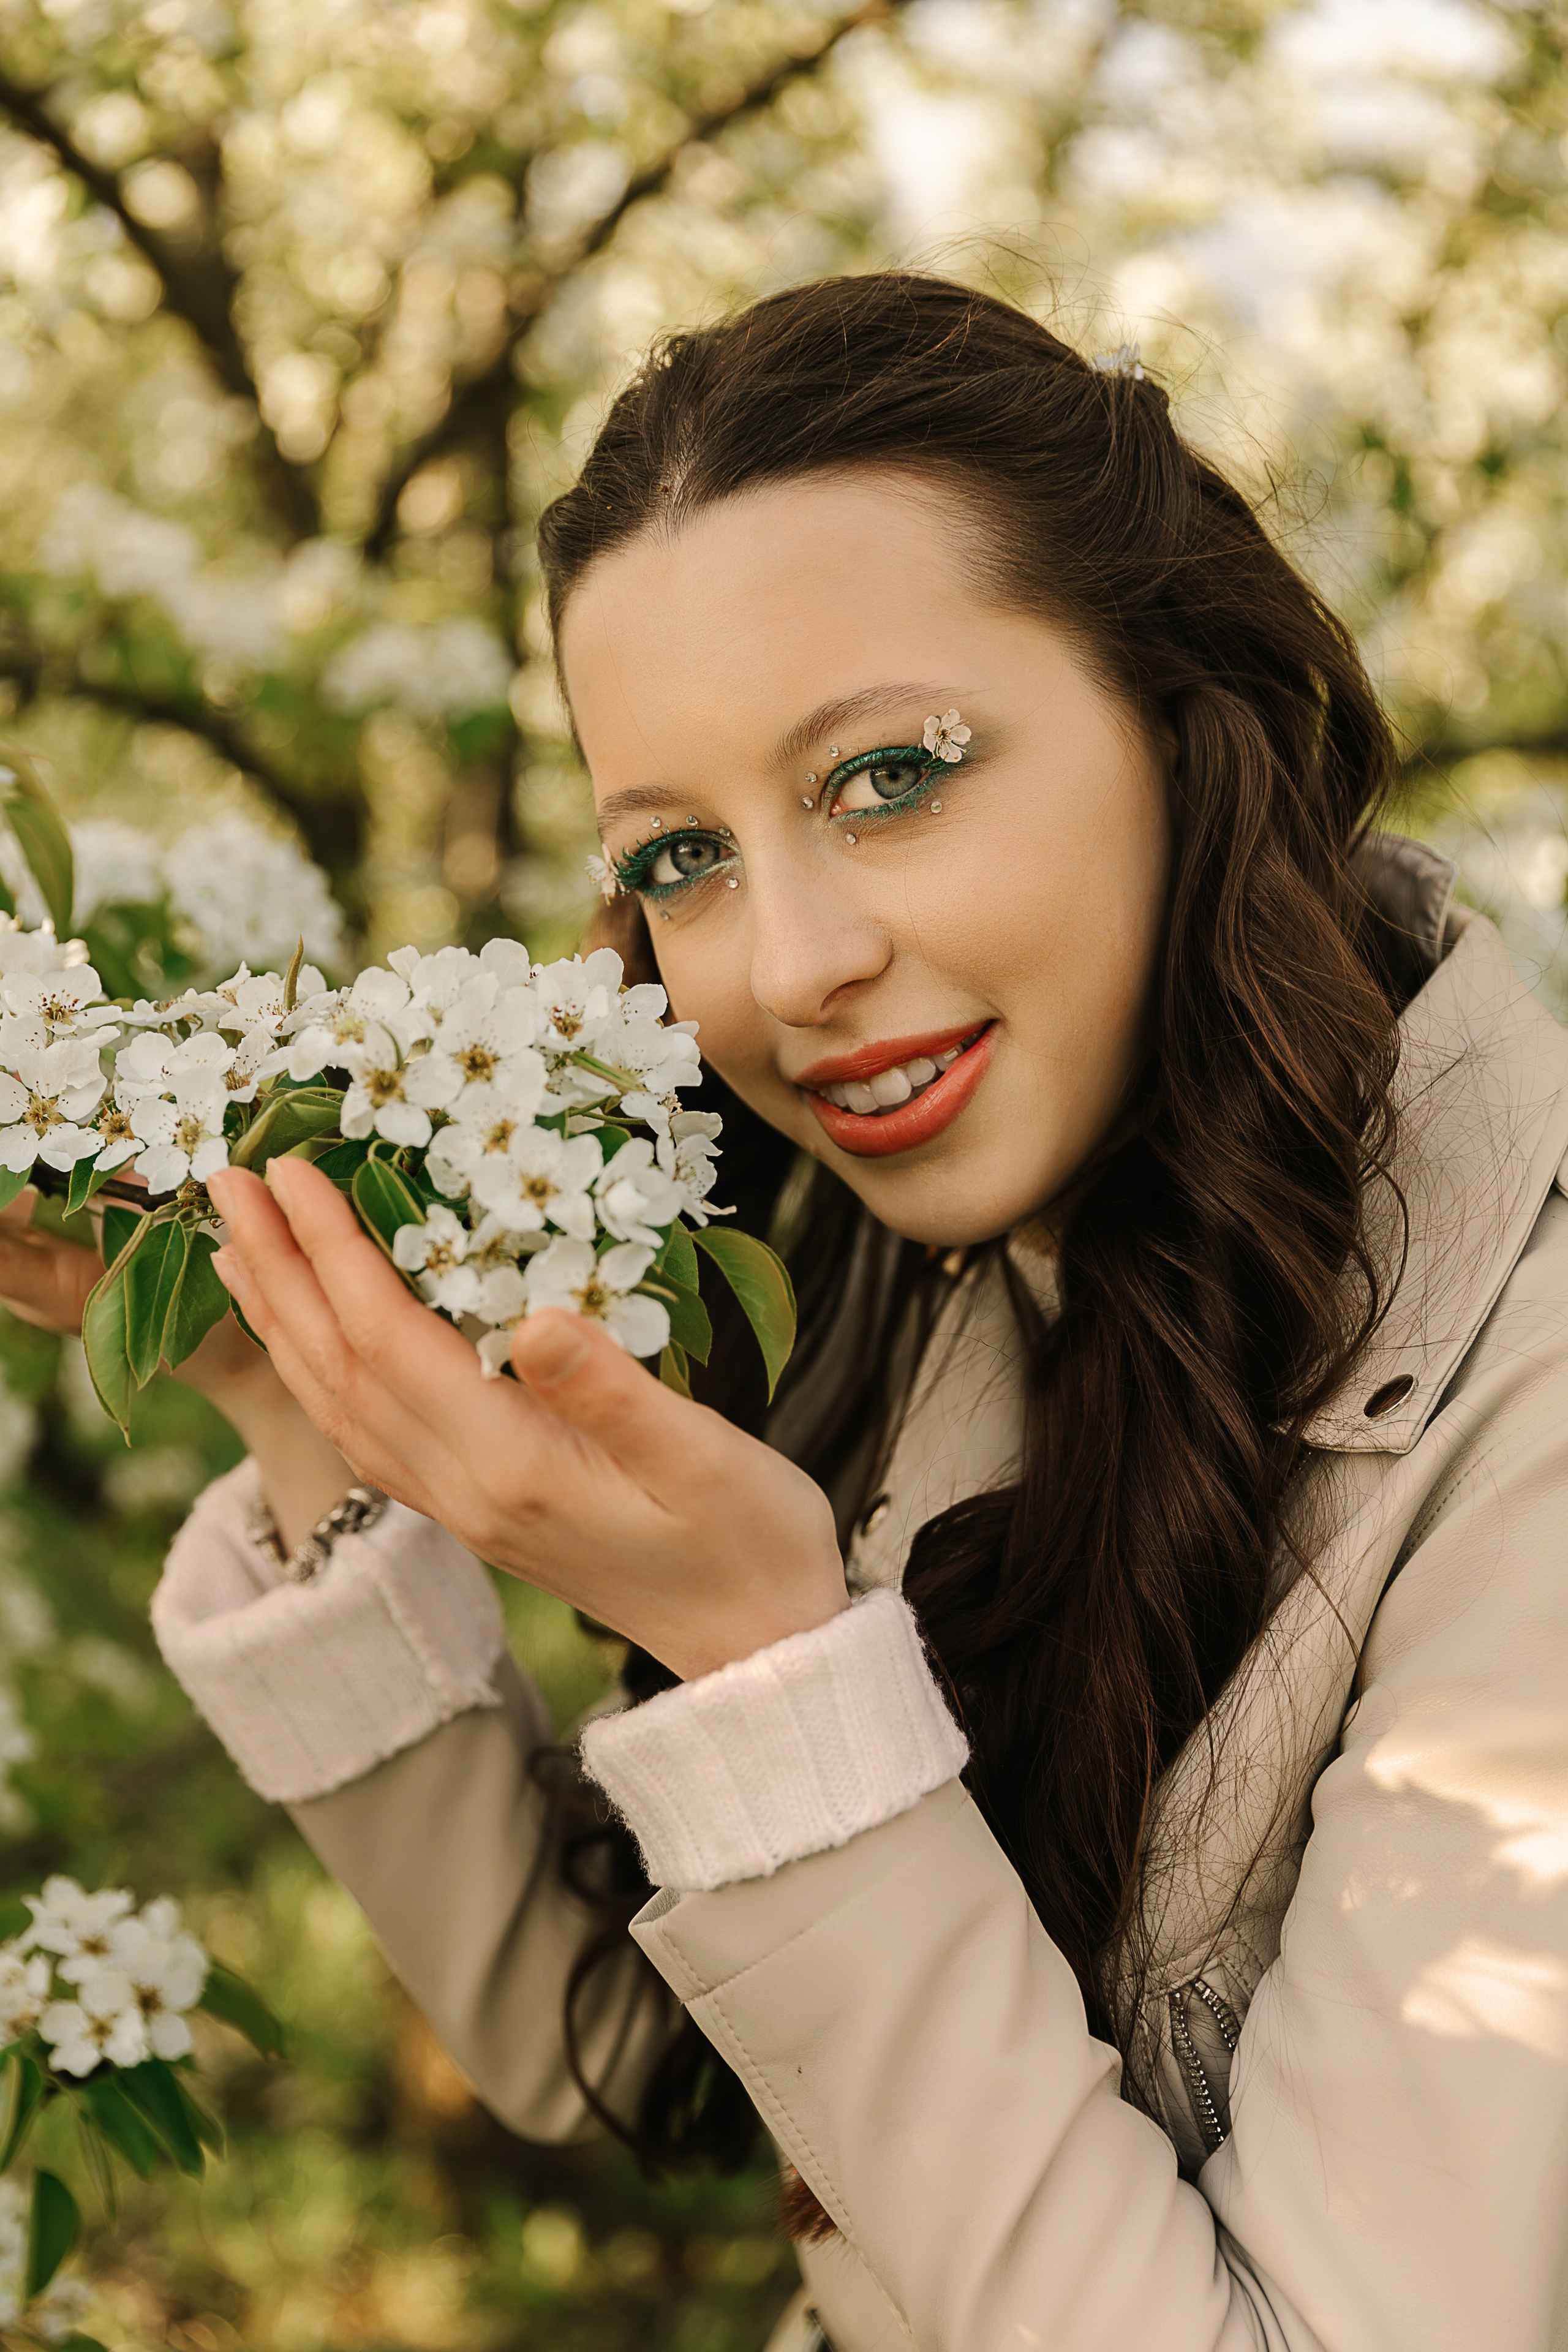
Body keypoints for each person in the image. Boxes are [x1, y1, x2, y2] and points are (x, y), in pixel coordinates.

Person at [4, 271, 1567, 2352]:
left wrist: (771, 1663)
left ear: (1182, 718)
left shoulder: (1523, 1424)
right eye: (680, 856)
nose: (784, 967)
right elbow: (628, 2048)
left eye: (888, 777)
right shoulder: (944, 1266)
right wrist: (279, 1391)